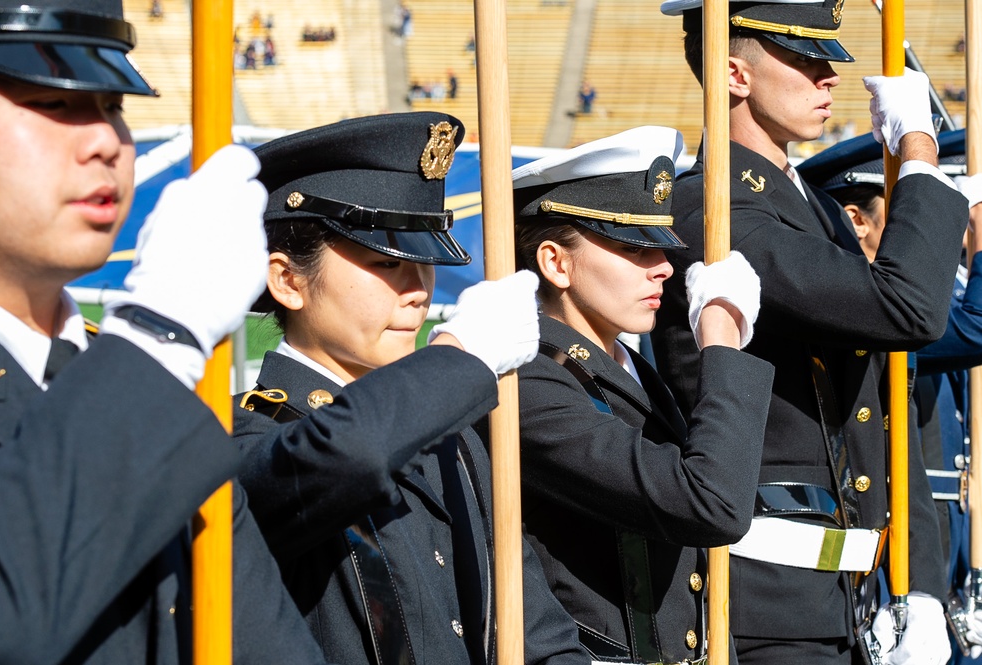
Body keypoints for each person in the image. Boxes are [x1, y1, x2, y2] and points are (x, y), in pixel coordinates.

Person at [0, 0, 326, 663]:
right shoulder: (148, 372)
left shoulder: (143, 388)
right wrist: (158, 334)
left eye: (113, 106)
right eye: (53, 104)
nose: (106, 139)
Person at [655, 1, 969, 663]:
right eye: (802, 57)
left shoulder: (814, 210)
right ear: (734, 74)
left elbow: (884, 408)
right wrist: (917, 153)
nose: (828, 75)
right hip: (756, 607)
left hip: (842, 601)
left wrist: (919, 586)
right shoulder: (710, 207)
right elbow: (908, 310)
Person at [233, 112, 589, 665]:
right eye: (385, 262)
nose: (418, 291)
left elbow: (537, 633)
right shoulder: (239, 431)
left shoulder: (456, 438)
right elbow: (348, 454)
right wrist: (457, 358)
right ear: (288, 280)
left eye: (424, 262)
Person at [509, 125, 774, 664]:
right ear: (556, 262)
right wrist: (722, 341)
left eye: (663, 245)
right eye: (633, 247)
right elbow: (712, 505)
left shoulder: (626, 364)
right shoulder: (529, 383)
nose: (664, 267)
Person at [799, 130, 982, 663]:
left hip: (930, 524)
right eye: (904, 218)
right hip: (861, 547)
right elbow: (976, 328)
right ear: (857, 219)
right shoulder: (867, 306)